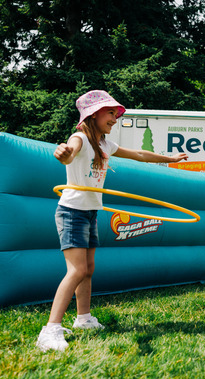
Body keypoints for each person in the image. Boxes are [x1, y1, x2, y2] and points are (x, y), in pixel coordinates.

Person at [37, 90, 188, 352]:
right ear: (94, 115)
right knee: (77, 270)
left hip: (90, 211)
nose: (115, 119)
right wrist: (63, 154)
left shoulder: (105, 145)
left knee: (89, 268)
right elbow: (69, 152)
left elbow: (139, 154)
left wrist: (170, 159)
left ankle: (83, 318)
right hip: (72, 211)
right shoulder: (80, 138)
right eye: (111, 113)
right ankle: (50, 329)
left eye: (116, 115)